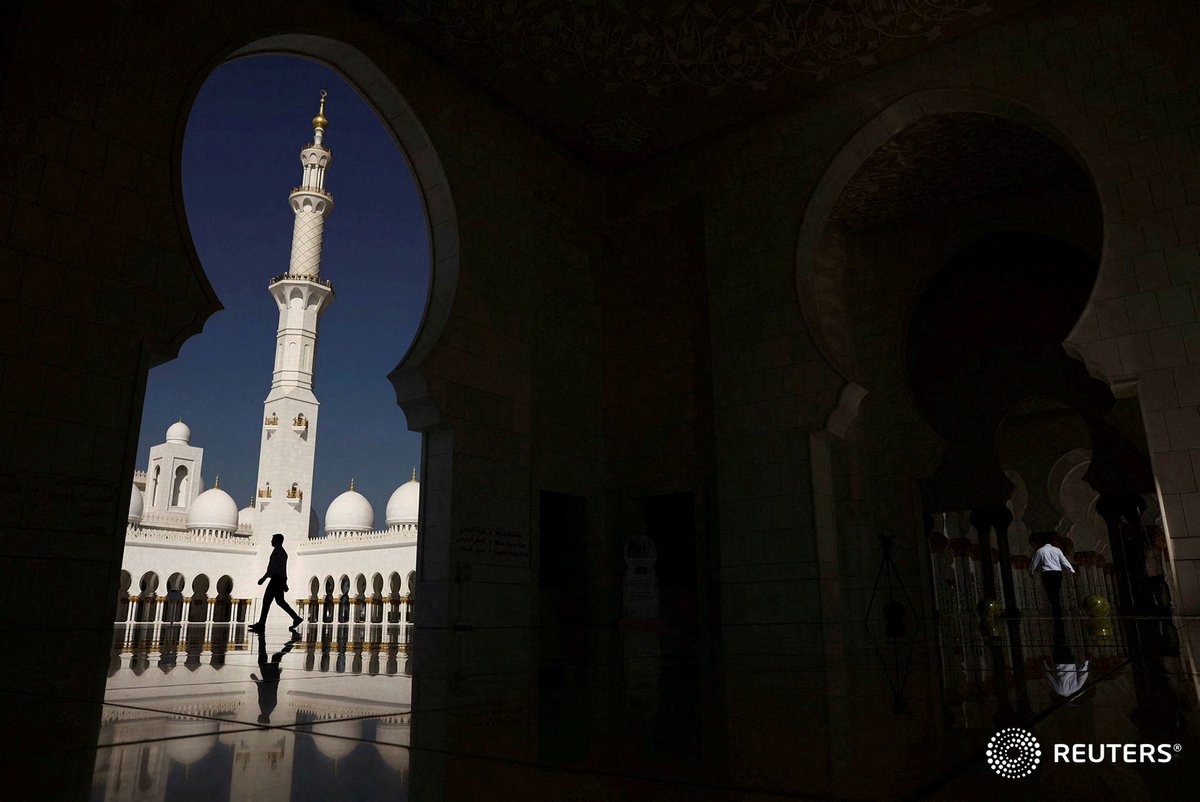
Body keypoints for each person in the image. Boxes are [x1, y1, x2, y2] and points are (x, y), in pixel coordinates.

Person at [248, 533, 303, 632]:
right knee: (280, 601)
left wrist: (264, 578)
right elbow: (282, 569)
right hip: (279, 579)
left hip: (276, 580)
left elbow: (274, 568)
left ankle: (261, 624)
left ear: (277, 541)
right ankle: (296, 618)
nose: (271, 541)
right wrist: (284, 582)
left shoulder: (278, 552)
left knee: (267, 601)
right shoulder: (282, 552)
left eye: (273, 539)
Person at [1029, 535, 1075, 619]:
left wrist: (1032, 571)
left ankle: (1056, 608)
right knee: (1055, 592)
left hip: (1049, 574)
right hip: (1055, 573)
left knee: (1051, 593)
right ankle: (1056, 608)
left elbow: (1035, 562)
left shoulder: (1041, 551)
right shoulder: (1056, 551)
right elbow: (1064, 561)